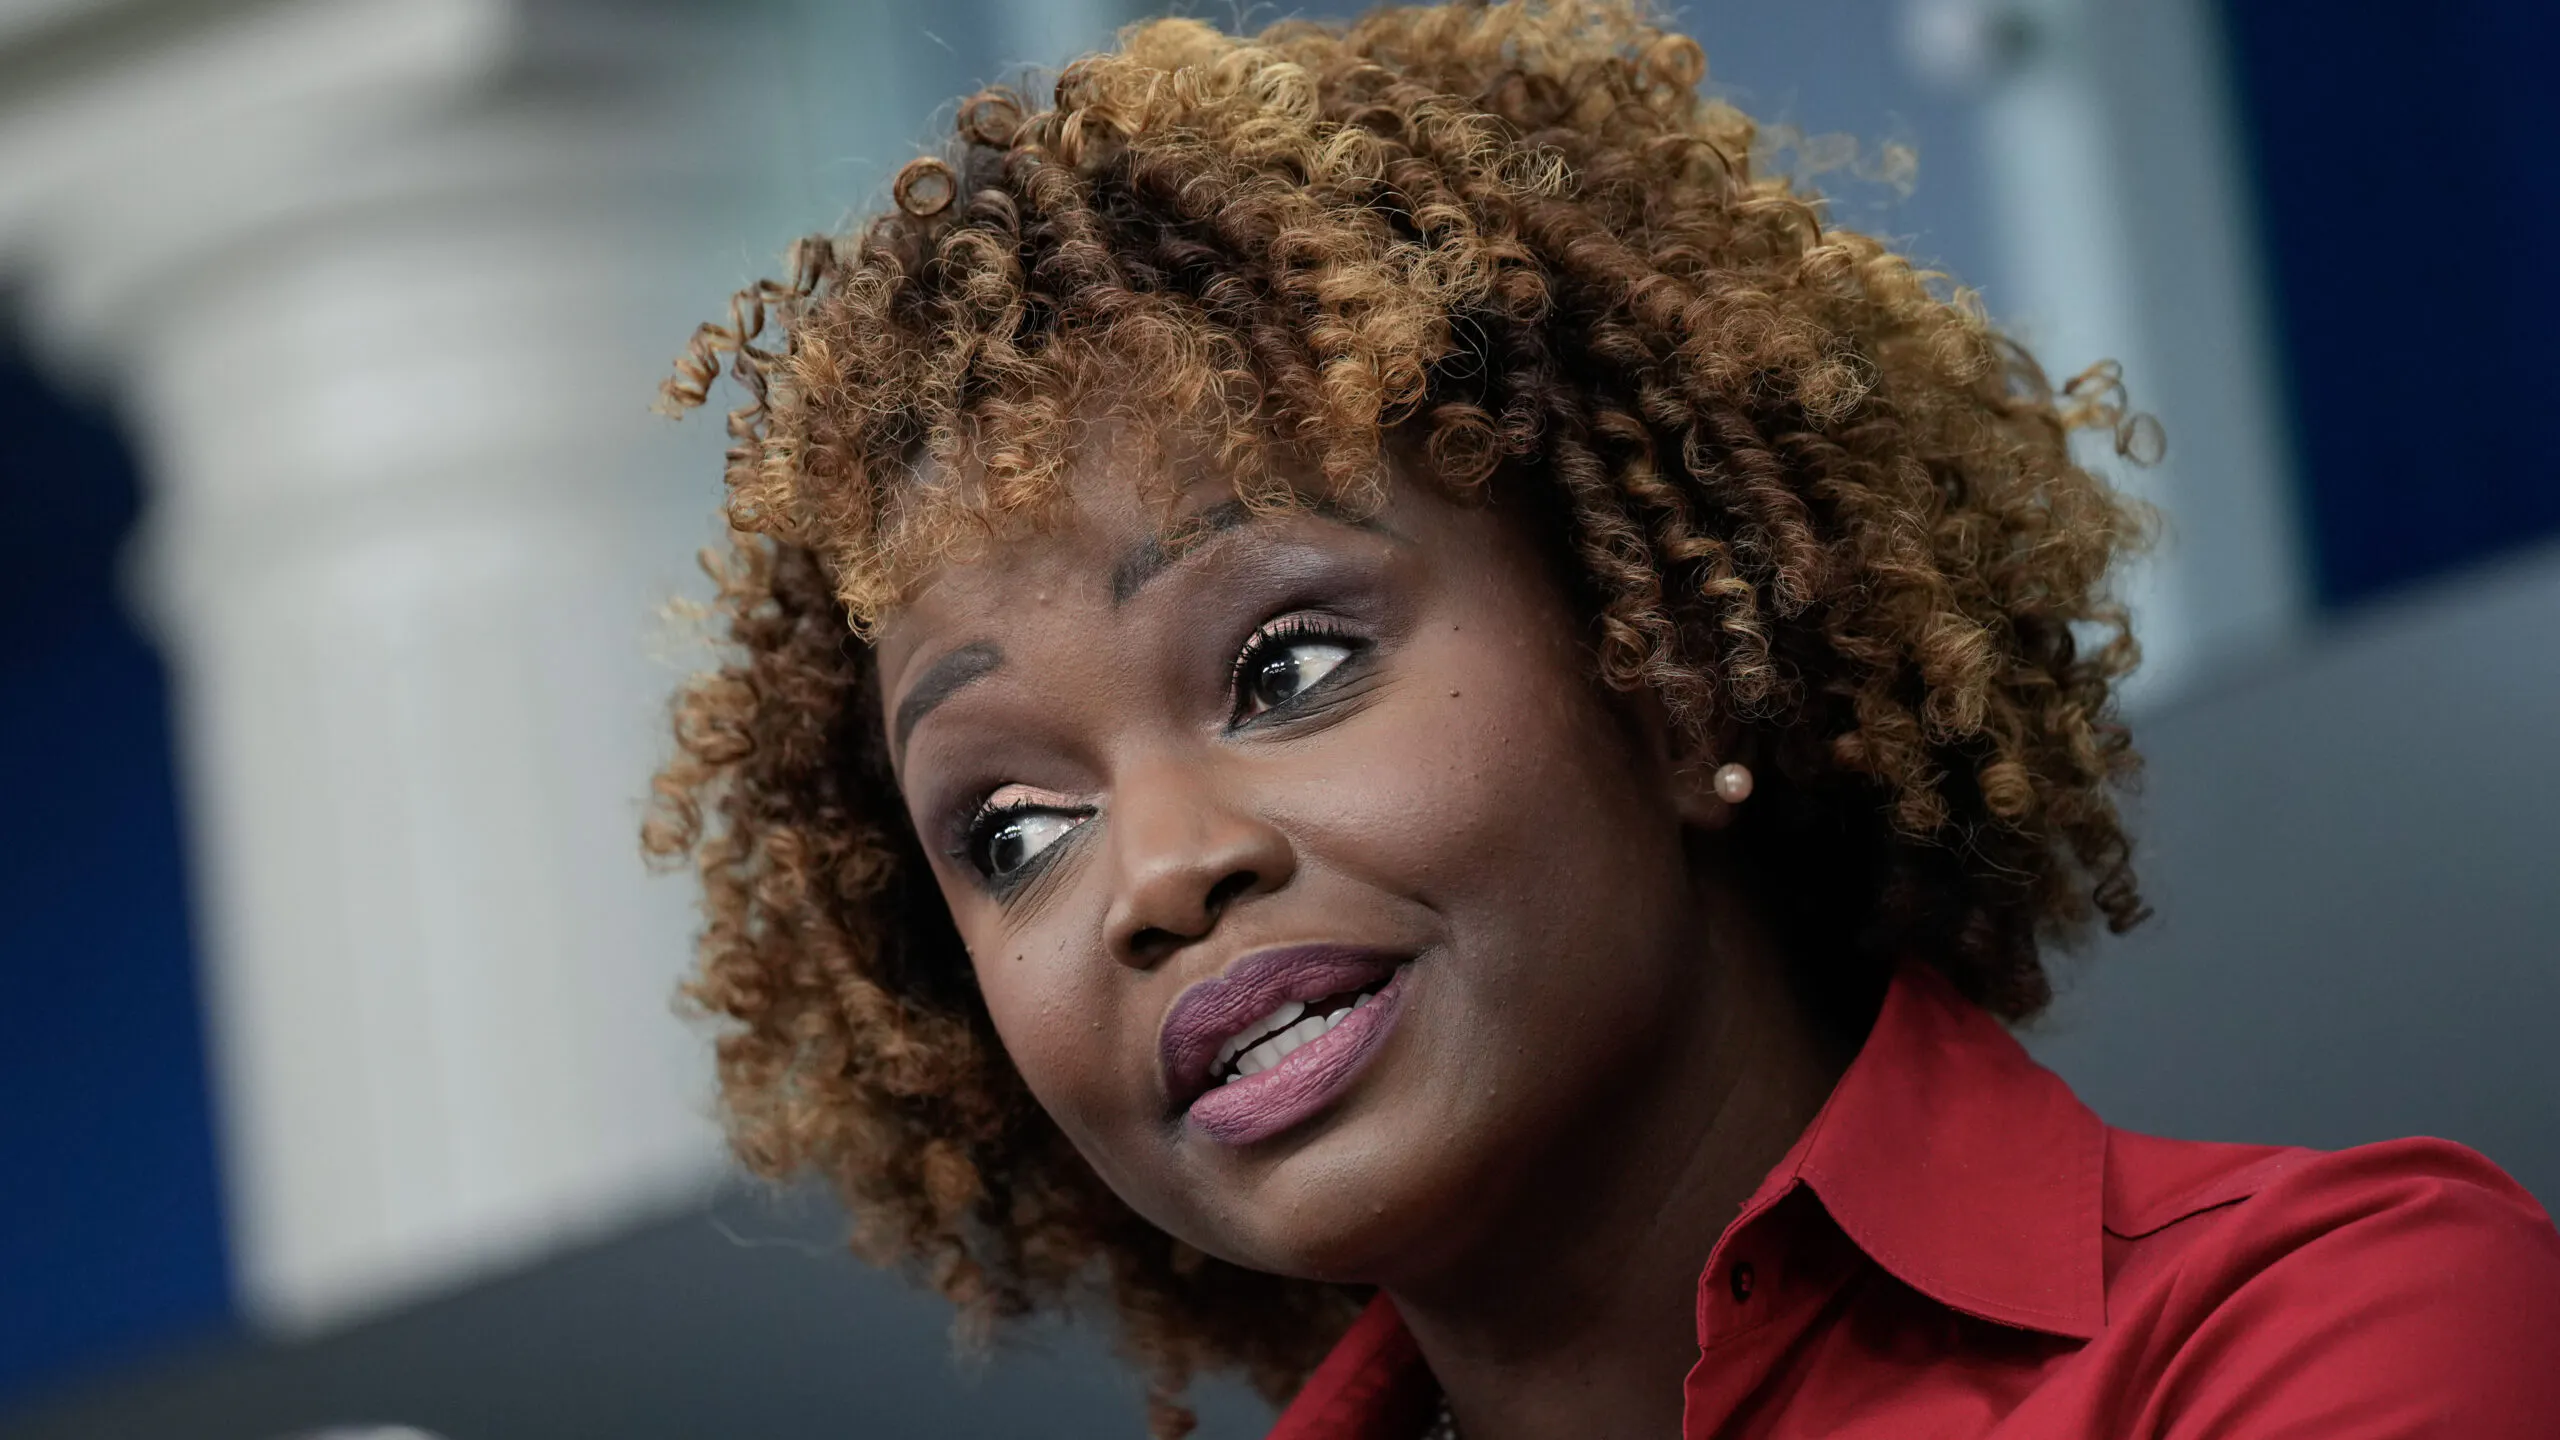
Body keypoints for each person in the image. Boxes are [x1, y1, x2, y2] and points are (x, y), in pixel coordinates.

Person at [644, 3, 2560, 1436]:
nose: (1155, 873)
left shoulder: (2330, 1336)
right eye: (1012, 833)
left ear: (1678, 662)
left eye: (1285, 667)